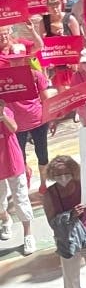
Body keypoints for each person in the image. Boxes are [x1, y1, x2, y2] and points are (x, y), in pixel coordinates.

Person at [42, 155, 86, 288]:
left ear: (73, 171)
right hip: (67, 237)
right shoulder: (50, 194)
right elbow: (52, 221)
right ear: (51, 175)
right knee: (70, 269)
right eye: (58, 175)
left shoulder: (83, 184)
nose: (63, 178)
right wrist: (70, 215)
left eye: (66, 173)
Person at [10, 63, 49, 198]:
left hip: (38, 120)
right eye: (14, 60)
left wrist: (52, 117)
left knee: (42, 153)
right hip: (16, 125)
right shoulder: (5, 79)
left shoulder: (36, 75)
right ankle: (26, 177)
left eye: (20, 59)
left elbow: (45, 98)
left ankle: (44, 183)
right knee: (20, 157)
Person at [0, 102, 33, 254]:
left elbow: (13, 128)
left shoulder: (6, 110)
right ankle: (6, 219)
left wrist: (2, 115)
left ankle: (28, 233)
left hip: (12, 160)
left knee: (20, 198)